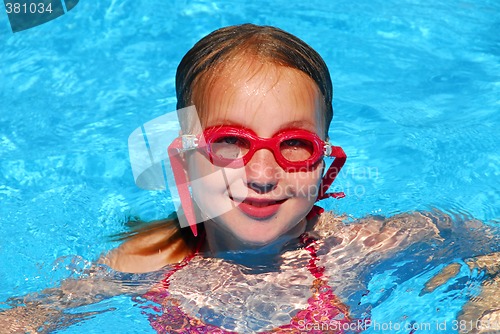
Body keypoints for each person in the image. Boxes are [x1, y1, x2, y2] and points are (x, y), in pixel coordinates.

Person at [2, 24, 499, 333]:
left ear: (325, 169)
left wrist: (486, 302)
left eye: (295, 146)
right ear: (185, 162)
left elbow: (485, 243)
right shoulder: (150, 257)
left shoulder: (361, 245)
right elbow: (31, 314)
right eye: (230, 143)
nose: (263, 174)